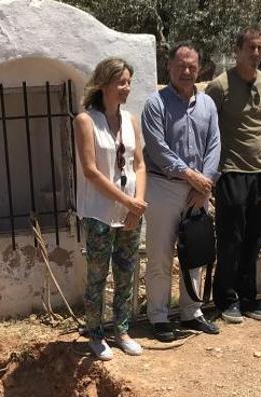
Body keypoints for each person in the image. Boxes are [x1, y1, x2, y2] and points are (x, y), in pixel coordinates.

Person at [141, 43, 222, 342]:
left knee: (196, 253)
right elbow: (158, 149)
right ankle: (159, 317)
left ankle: (191, 312)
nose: (186, 71)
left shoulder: (208, 105)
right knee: (160, 256)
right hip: (163, 187)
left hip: (198, 192)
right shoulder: (155, 104)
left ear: (199, 68)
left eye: (192, 66)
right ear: (169, 67)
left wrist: (205, 185)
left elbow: (214, 146)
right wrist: (191, 176)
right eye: (181, 65)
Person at [74, 57, 148, 360]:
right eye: (121, 82)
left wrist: (137, 206)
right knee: (97, 275)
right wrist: (126, 201)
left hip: (130, 211)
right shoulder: (85, 120)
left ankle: (122, 330)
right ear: (104, 84)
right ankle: (95, 333)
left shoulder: (131, 120)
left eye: (129, 82)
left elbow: (140, 165)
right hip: (99, 213)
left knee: (126, 271)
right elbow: (91, 171)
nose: (126, 88)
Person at [206, 27, 261, 324]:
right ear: (237, 50)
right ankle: (225, 299)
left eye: (260, 48)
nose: (256, 53)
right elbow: (206, 128)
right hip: (231, 172)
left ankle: (249, 298)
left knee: (254, 237)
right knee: (230, 239)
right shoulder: (219, 86)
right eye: (251, 47)